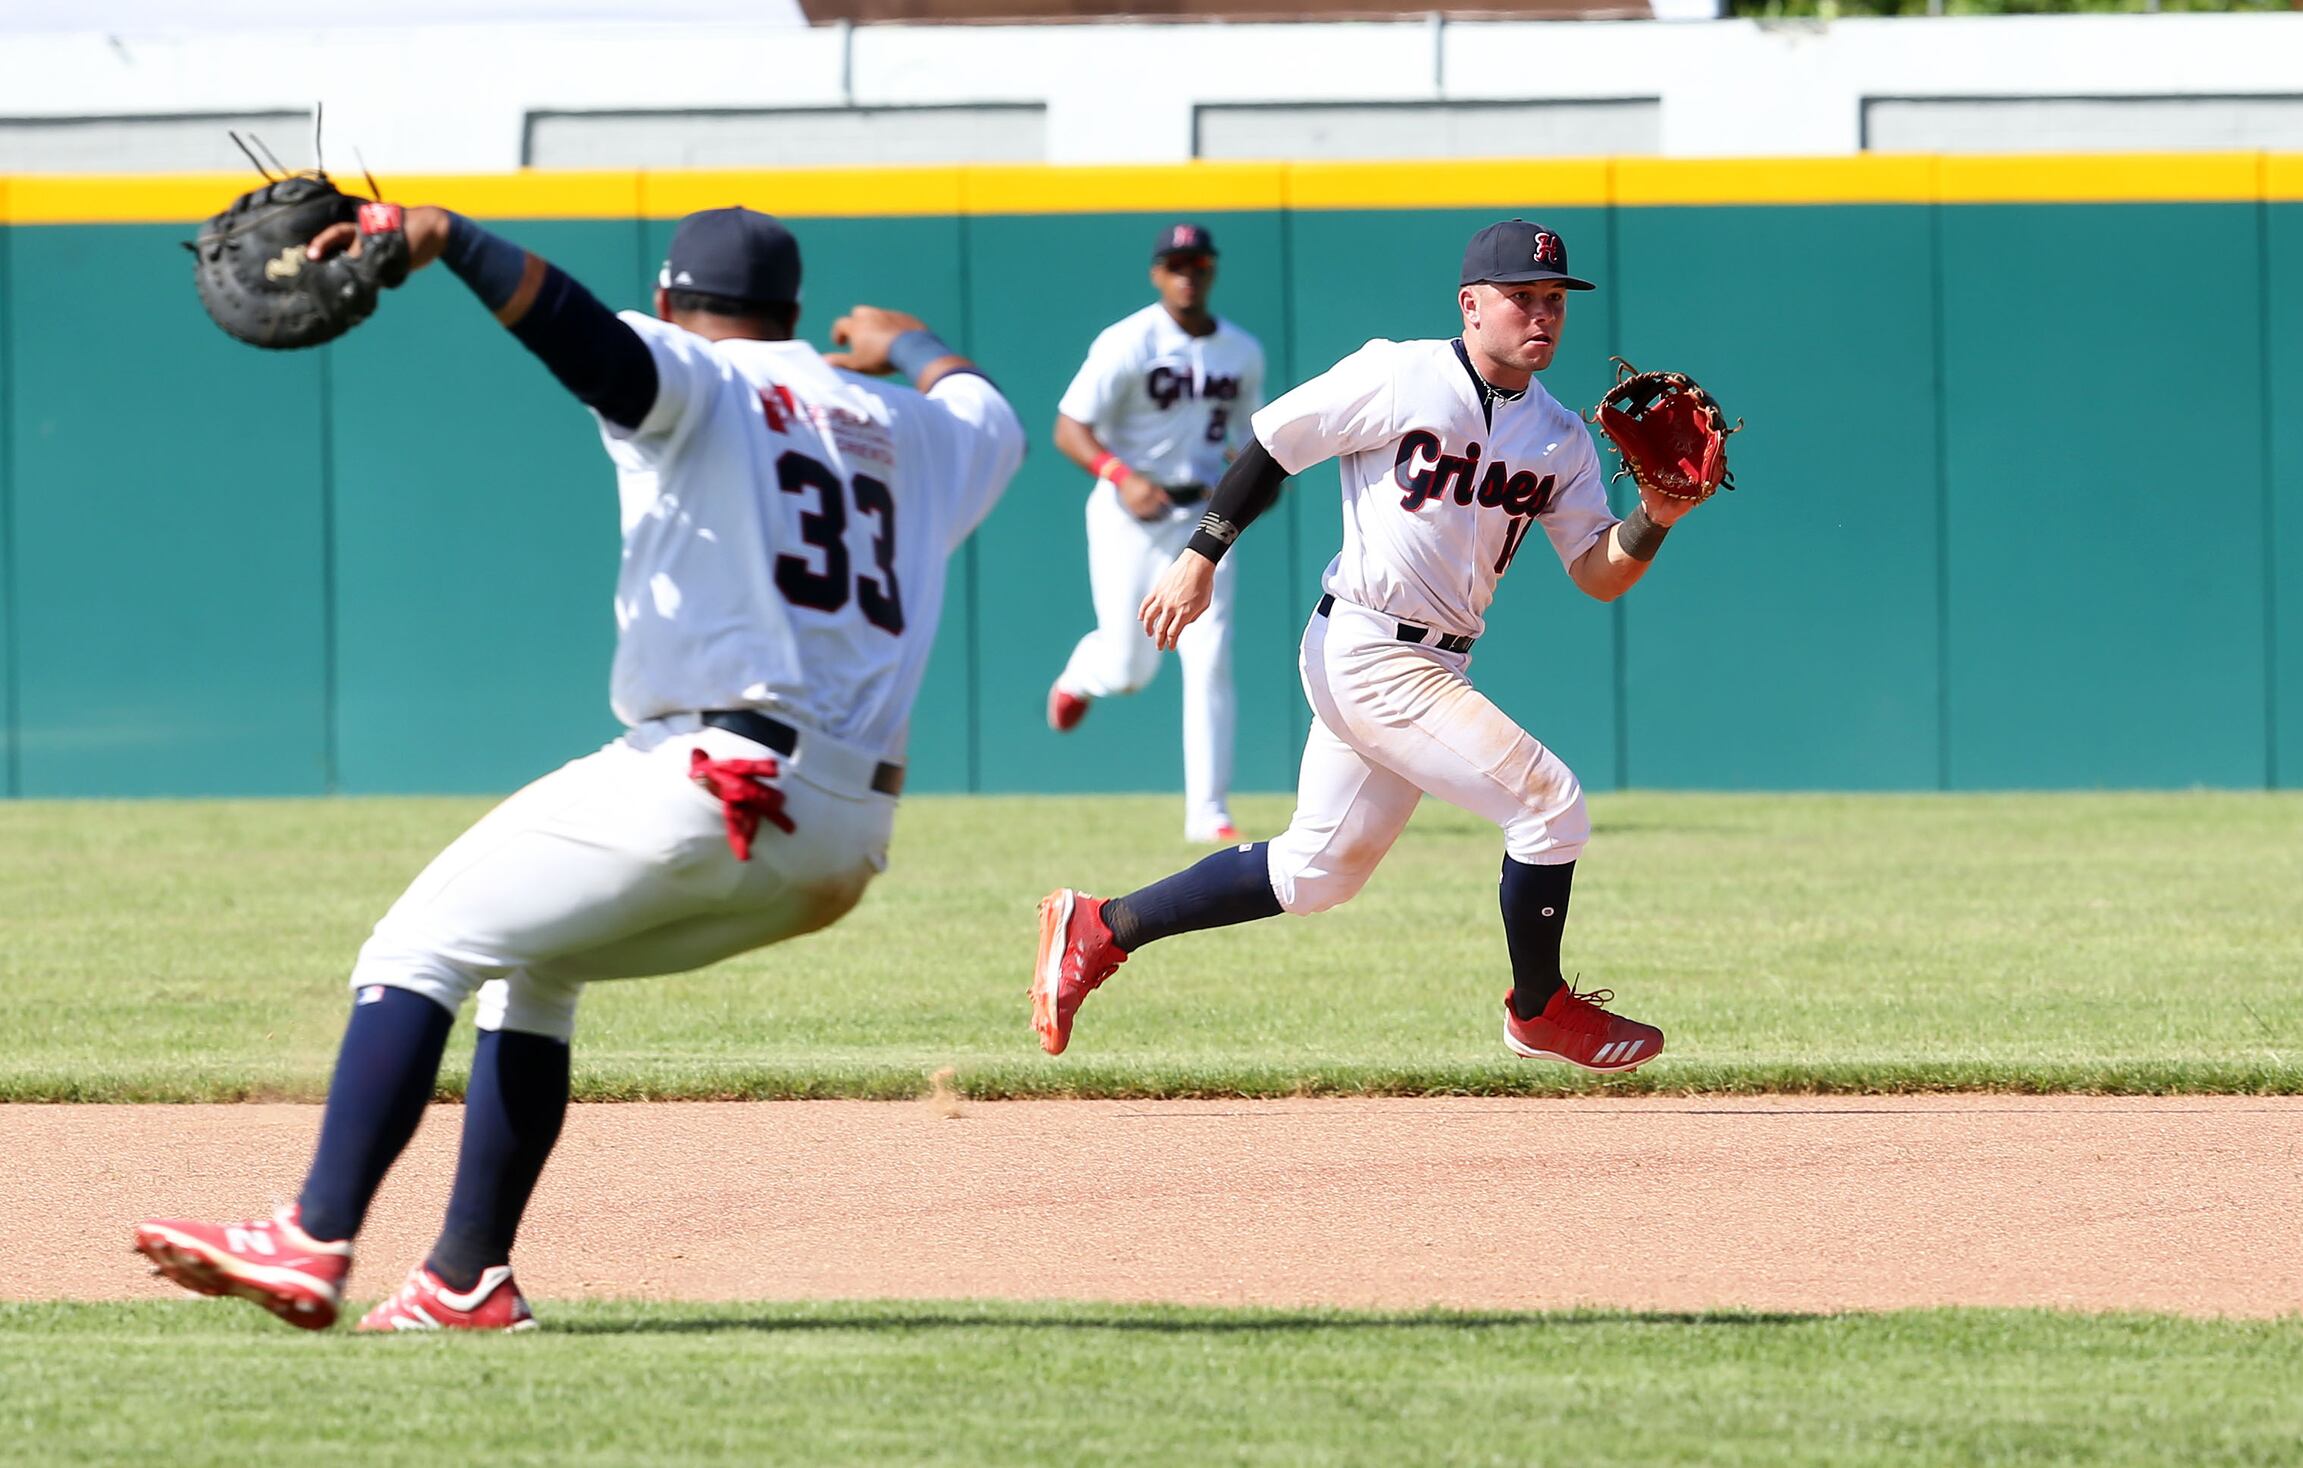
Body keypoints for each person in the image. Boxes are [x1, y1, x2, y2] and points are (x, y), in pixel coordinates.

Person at [134, 203, 1024, 1331]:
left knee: (415, 946)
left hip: (714, 781)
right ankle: (467, 1278)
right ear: (794, 313)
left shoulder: (697, 376)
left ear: (669, 303)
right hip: (845, 842)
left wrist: (448, 237)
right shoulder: (916, 426)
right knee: (533, 967)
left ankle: (311, 1234)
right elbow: (986, 407)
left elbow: (583, 341)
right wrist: (906, 341)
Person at [1030, 219, 1704, 1074]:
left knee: (1318, 874)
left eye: (1555, 301)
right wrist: (1200, 554)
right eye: (1521, 297)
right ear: (1471, 305)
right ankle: (1539, 1011)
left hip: (1437, 658)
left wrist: (1654, 519)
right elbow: (1272, 445)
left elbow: (1596, 573)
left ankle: (1099, 927)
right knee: (1548, 807)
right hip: (1368, 647)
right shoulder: (1401, 374)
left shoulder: (1561, 437)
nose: (1542, 315)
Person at [1046, 223, 1266, 844]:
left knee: (1210, 655)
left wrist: (1254, 481)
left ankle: (1209, 812)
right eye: (1175, 263)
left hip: (1204, 518)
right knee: (1129, 665)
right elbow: (1069, 426)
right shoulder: (1128, 341)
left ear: (1212, 270)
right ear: (1157, 273)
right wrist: (1119, 475)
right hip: (1128, 514)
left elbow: (1252, 437)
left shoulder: (1241, 351)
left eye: (1197, 262)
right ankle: (1081, 676)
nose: (1186, 273)